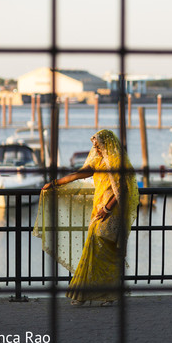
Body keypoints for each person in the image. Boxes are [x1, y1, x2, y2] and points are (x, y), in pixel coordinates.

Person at [42, 129, 140, 306]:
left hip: (112, 212)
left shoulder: (116, 163)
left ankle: (103, 295)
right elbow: (76, 175)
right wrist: (54, 184)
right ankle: (89, 294)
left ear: (107, 144)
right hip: (99, 210)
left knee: (106, 251)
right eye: (95, 145)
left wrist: (108, 209)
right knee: (94, 251)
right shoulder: (97, 162)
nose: (96, 148)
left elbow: (123, 190)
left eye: (99, 145)